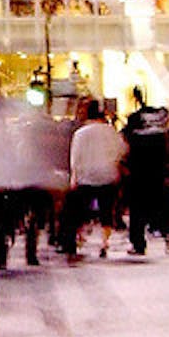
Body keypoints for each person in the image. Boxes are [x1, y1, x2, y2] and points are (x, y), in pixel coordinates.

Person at [63, 99, 126, 263]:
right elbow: (121, 151)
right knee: (107, 212)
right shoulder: (110, 131)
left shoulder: (80, 133)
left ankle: (76, 241)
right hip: (107, 175)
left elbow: (75, 158)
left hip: (86, 177)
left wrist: (74, 178)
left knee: (78, 213)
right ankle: (104, 243)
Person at [122, 90, 169, 256]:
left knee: (137, 210)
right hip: (157, 172)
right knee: (159, 204)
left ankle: (138, 243)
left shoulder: (134, 129)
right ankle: (168, 233)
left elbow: (125, 147)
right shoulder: (160, 130)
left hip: (138, 173)